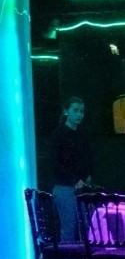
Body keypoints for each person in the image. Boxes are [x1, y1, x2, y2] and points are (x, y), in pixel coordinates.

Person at [49, 96, 91, 241]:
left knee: (88, 227)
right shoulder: (58, 134)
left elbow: (87, 158)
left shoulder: (83, 134)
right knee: (69, 228)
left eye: (81, 111)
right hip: (64, 186)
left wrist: (87, 176)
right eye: (75, 110)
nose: (79, 114)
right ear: (66, 111)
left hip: (81, 186)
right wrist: (75, 180)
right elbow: (56, 164)